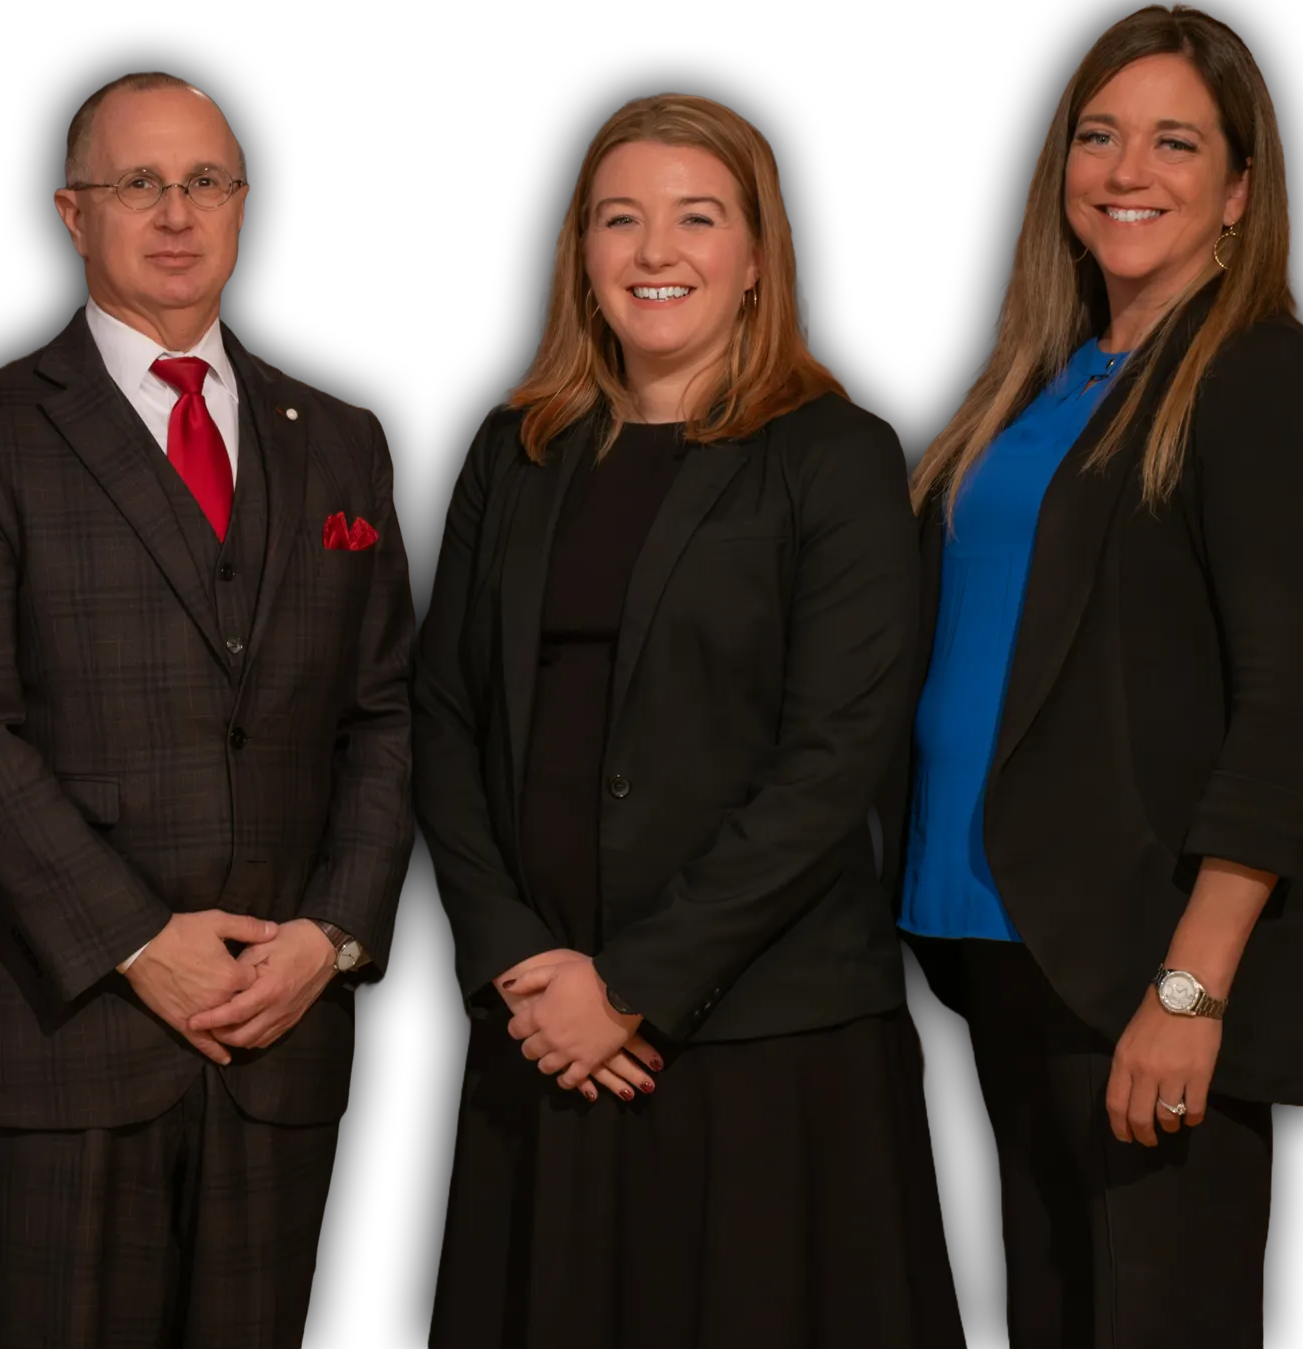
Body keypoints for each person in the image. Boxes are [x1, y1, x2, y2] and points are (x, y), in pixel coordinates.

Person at [416, 93, 963, 1348]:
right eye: (622, 219)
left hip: (762, 1045)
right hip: (541, 1029)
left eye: (696, 218)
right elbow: (445, 718)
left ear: (757, 255)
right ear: (583, 253)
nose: (655, 252)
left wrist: (638, 987)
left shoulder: (837, 453)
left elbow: (836, 758)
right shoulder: (515, 449)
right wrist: (519, 965)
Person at [0, 72, 413, 1348]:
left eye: (205, 183)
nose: (175, 214)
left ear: (243, 208)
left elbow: (387, 714)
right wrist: (136, 938)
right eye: (138, 185)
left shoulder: (343, 439)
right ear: (72, 215)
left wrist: (330, 933)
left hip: (281, 1040)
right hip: (63, 1043)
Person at [897, 5, 1303, 1342]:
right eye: (1099, 137)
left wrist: (1189, 989)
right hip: (993, 941)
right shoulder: (1037, 385)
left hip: (1142, 963)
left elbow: (1289, 718)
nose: (1126, 171)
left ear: (1237, 191)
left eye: (1175, 143)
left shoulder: (1269, 379)